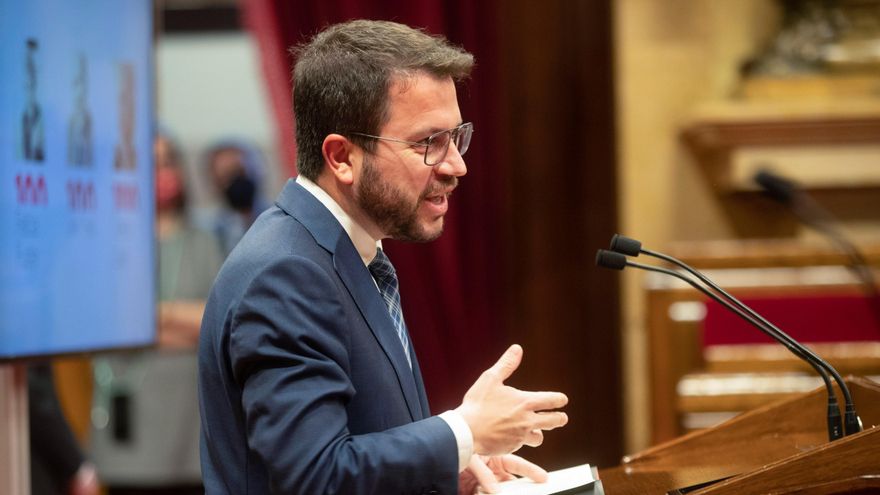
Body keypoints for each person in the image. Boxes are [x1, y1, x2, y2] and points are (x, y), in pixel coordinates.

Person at [198, 19, 569, 495]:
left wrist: (445, 469)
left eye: (456, 137)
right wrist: (463, 431)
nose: (457, 165)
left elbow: (356, 445)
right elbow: (316, 476)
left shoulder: (348, 251)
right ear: (342, 157)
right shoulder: (286, 273)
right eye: (428, 143)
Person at [90, 134, 223, 494]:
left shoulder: (207, 242)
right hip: (130, 437)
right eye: (150, 164)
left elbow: (218, 322)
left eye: (167, 161)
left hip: (191, 438)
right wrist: (181, 325)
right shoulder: (107, 243)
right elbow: (106, 324)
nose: (161, 173)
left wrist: (151, 315)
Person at [199, 139, 270, 256]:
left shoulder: (278, 222)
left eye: (238, 172)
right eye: (225, 176)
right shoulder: (209, 234)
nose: (234, 181)